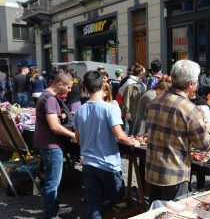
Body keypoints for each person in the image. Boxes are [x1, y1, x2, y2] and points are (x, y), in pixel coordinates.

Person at [145, 60, 210, 204]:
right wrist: (208, 127)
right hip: (174, 175)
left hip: (153, 171)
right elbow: (204, 144)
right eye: (196, 81)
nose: (197, 85)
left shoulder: (154, 102)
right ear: (190, 84)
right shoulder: (190, 109)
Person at [74, 71, 140, 219]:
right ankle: (95, 210)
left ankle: (94, 211)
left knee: (94, 199)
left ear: (85, 87)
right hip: (107, 164)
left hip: (89, 163)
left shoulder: (79, 110)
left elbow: (77, 139)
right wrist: (133, 141)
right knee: (117, 194)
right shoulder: (109, 108)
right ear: (103, 86)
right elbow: (120, 136)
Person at [34, 71, 75, 218]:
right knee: (53, 182)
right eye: (68, 87)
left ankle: (54, 208)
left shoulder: (45, 96)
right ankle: (51, 214)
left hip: (47, 144)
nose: (69, 90)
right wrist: (73, 135)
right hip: (52, 146)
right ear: (59, 85)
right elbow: (54, 126)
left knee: (51, 180)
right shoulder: (50, 99)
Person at [120, 63, 146, 128]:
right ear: (140, 72)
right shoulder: (130, 83)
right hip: (132, 112)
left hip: (140, 111)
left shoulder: (142, 83)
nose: (145, 73)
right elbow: (127, 99)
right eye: (144, 71)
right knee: (131, 130)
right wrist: (128, 112)